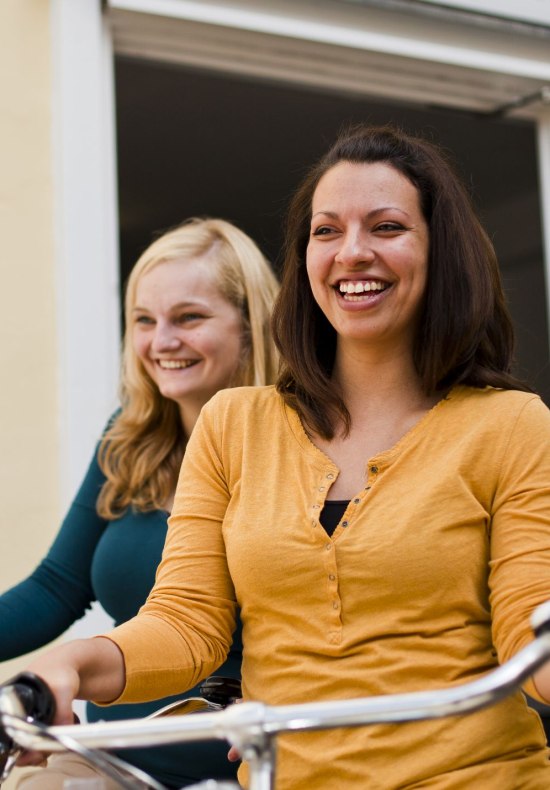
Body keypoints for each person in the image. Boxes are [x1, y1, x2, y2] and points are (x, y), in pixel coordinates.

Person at [14, 125, 550, 788]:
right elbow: (185, 626)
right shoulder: (235, 424)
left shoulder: (512, 426)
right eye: (326, 231)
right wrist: (70, 663)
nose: (352, 252)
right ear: (304, 261)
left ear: (443, 253)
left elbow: (535, 629)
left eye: (386, 227)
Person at [0, 216, 279, 789]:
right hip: (112, 761)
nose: (161, 342)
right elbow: (55, 588)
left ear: (252, 324)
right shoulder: (126, 439)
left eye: (189, 318)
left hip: (254, 766)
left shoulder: (302, 445)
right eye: (144, 321)